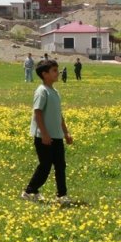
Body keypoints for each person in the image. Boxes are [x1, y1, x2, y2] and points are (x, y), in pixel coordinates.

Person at [22, 59, 74, 203]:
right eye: (54, 71)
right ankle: (29, 191)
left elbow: (59, 115)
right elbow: (37, 113)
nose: (58, 73)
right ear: (45, 74)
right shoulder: (42, 91)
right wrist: (44, 134)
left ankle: (61, 195)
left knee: (60, 166)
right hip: (44, 137)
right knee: (45, 166)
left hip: (56, 136)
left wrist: (66, 133)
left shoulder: (55, 92)